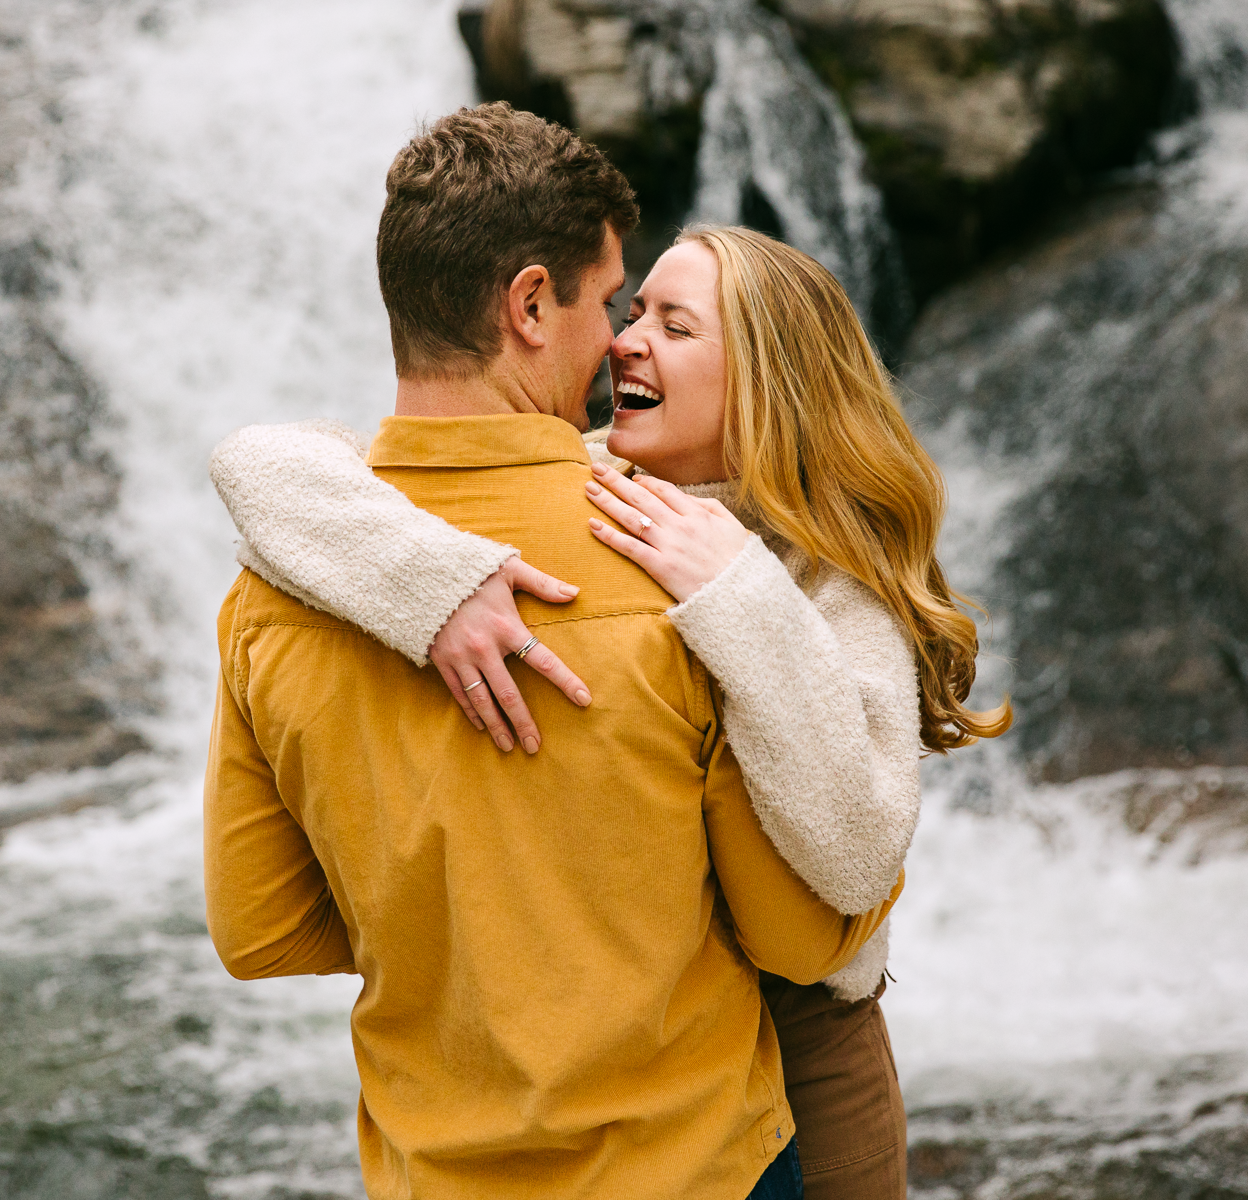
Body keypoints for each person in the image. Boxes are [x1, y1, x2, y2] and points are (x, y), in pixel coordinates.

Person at [213, 220, 1011, 1198]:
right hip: (610, 1029)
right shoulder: (587, 484)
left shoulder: (830, 579)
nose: (625, 341)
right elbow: (260, 465)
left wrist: (739, 594)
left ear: (769, 378)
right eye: (632, 313)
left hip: (804, 1035)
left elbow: (853, 857)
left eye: (675, 327)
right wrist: (434, 582)